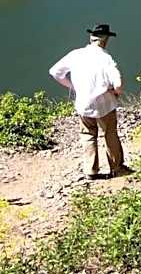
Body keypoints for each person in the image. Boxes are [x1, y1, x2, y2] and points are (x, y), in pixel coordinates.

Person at [49, 23, 129, 179]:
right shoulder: (106, 58)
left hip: (83, 103)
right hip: (105, 104)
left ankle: (91, 171)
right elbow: (119, 85)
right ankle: (117, 168)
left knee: (88, 134)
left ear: (91, 38)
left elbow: (55, 72)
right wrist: (115, 92)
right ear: (105, 40)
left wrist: (72, 86)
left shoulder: (75, 54)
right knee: (110, 134)